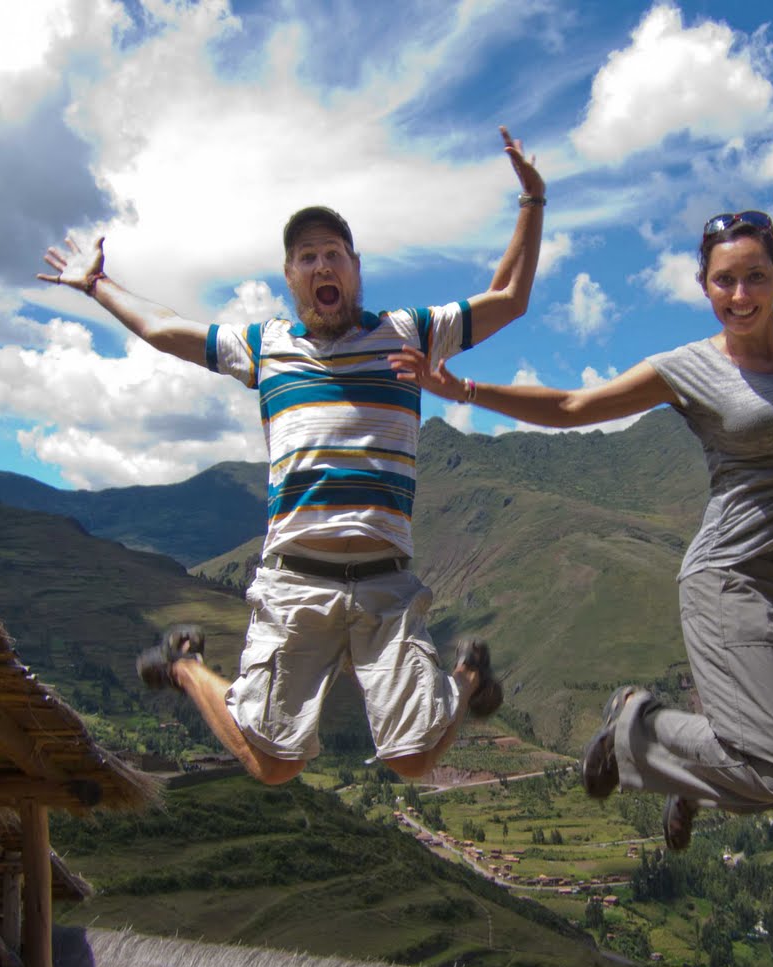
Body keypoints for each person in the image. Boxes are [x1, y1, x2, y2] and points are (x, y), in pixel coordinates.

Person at [392, 83, 773, 849]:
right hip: (734, 580)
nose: (740, 294)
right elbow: (575, 405)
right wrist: (463, 388)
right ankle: (636, 723)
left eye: (755, 277)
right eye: (724, 280)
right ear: (705, 287)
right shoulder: (688, 369)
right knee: (770, 769)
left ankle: (689, 776)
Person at [38, 128, 546, 785]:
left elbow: (509, 300)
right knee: (272, 765)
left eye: (334, 253)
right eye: (307, 257)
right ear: (289, 278)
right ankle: (185, 664)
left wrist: (532, 202)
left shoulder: (409, 332)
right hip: (296, 580)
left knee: (413, 760)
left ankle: (468, 675)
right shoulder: (265, 346)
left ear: (356, 268)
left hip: (385, 582)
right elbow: (165, 329)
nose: (322, 266)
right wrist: (96, 285)